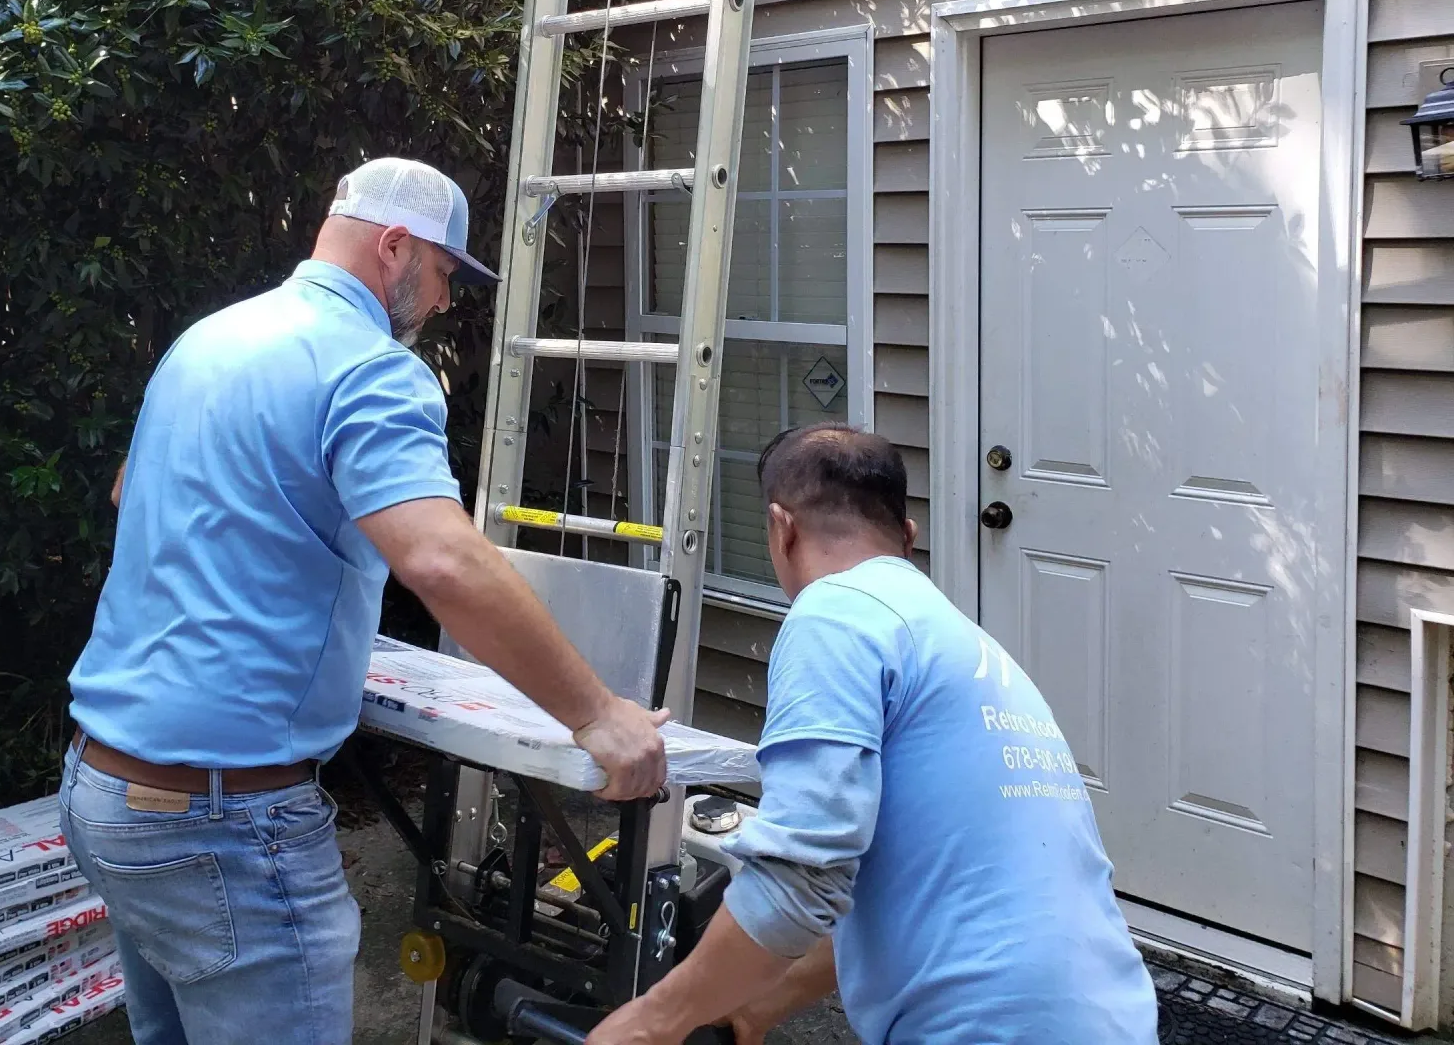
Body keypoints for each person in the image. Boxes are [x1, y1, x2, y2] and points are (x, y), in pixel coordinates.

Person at [59, 157, 671, 1045]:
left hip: (103, 788)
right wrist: (600, 716)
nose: (447, 302)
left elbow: (133, 491)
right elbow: (443, 561)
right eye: (446, 274)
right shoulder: (369, 369)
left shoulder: (211, 339)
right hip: (220, 824)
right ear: (396, 249)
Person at [589, 426, 1158, 1045]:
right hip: (1108, 1016)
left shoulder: (836, 614)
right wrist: (757, 1006)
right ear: (907, 539)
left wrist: (653, 1023)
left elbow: (799, 879)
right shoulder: (962, 644)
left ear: (782, 528)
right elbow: (891, 892)